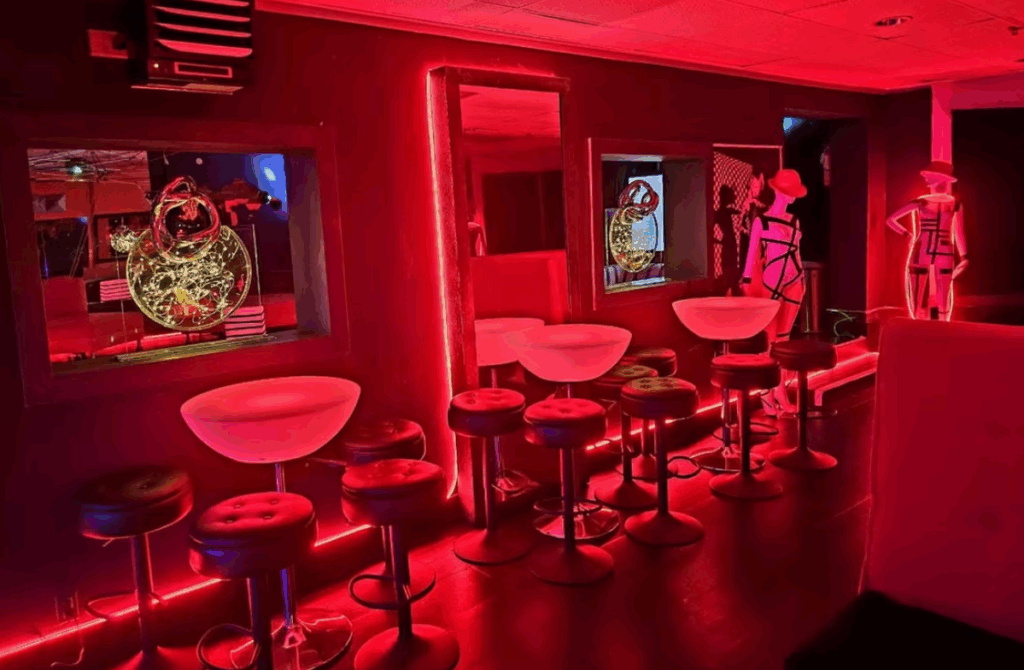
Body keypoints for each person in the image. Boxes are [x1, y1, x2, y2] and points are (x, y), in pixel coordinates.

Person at [740, 168, 807, 416]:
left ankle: (780, 392)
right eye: (789, 191)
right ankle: (766, 394)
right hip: (770, 281)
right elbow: (750, 257)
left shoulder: (794, 220)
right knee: (768, 343)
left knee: (784, 341)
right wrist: (747, 283)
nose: (792, 196)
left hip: (795, 279)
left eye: (794, 192)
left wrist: (802, 278)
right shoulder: (762, 221)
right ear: (778, 190)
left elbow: (797, 253)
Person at [885, 160, 968, 321]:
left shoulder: (921, 201)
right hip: (944, 250)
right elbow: (959, 232)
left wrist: (907, 235)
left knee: (918, 300)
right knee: (944, 301)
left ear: (940, 179)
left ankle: (920, 329)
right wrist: (964, 256)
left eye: (930, 176)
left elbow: (891, 220)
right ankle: (943, 329)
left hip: (922, 248)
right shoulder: (954, 204)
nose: (926, 179)